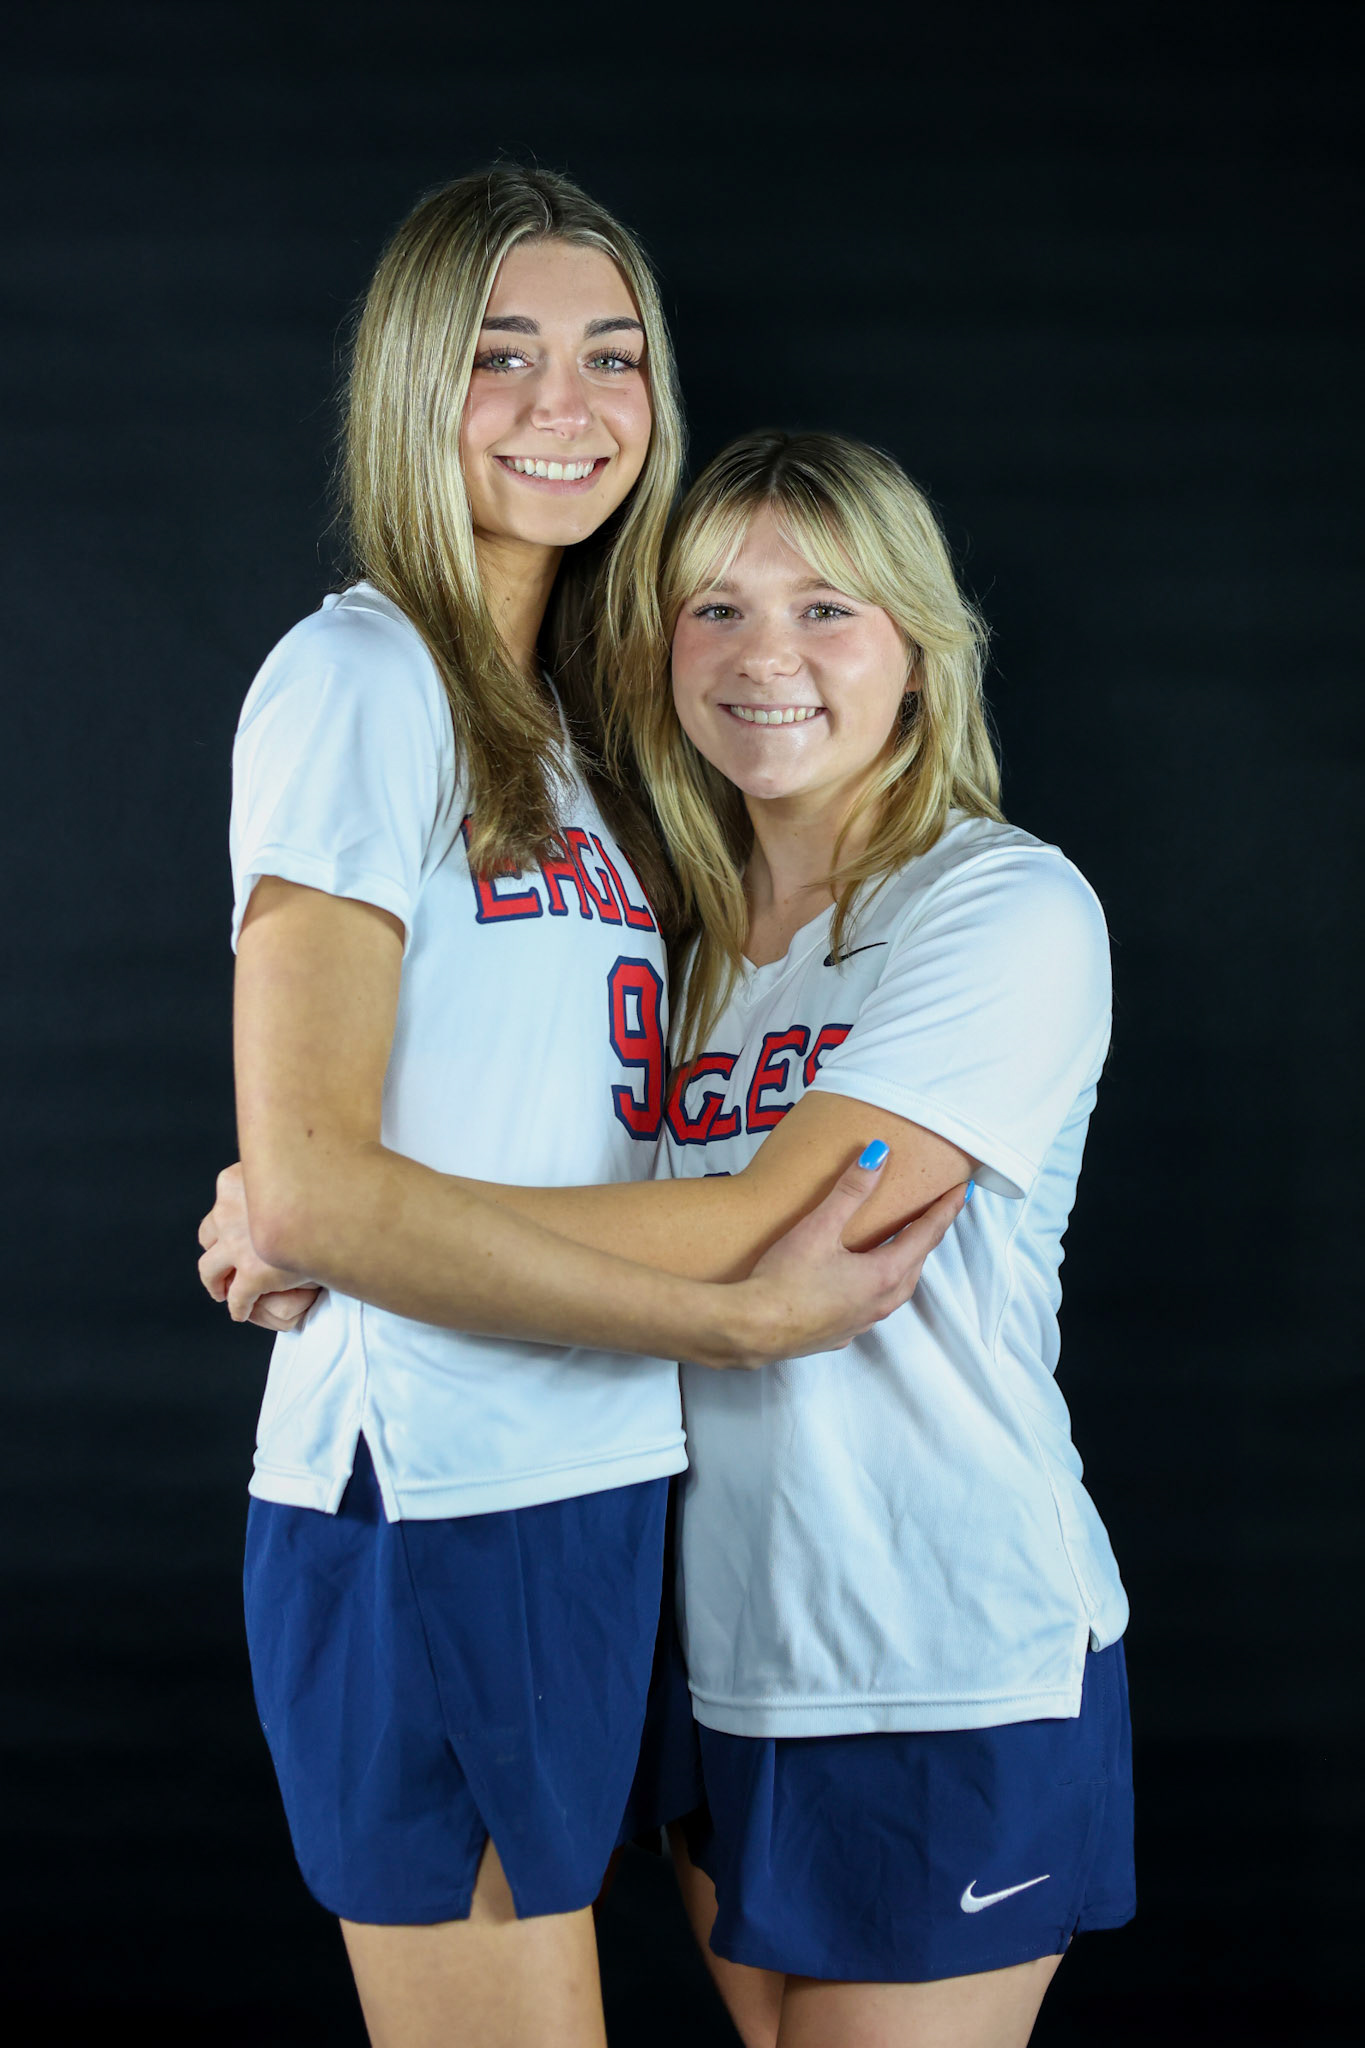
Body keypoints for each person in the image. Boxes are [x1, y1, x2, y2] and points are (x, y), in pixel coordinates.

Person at [217, 426, 1134, 2046]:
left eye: (827, 609)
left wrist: (342, 1213)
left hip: (939, 1655)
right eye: (711, 609)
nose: (764, 655)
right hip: (716, 1664)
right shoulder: (671, 942)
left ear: (917, 654)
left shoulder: (1002, 909)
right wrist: (310, 1198)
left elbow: (762, 1221)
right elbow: (540, 1177)